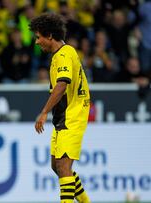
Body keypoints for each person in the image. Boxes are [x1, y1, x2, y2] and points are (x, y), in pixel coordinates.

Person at [30, 13, 91, 203]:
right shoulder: (61, 55)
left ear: (49, 35)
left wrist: (44, 112)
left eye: (39, 37)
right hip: (64, 118)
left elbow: (62, 85)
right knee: (56, 166)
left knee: (63, 167)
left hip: (72, 116)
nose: (37, 42)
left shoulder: (64, 54)